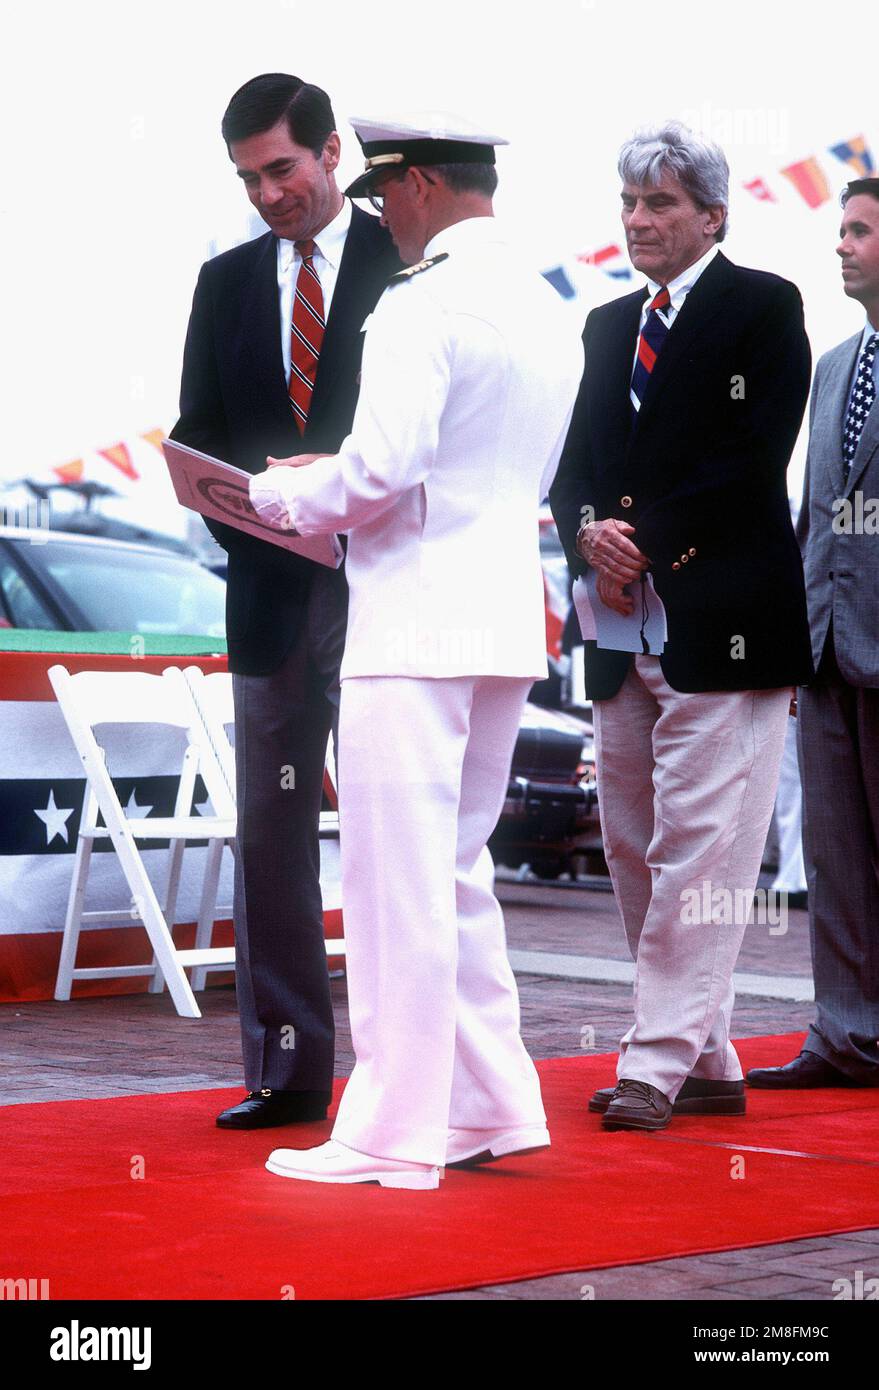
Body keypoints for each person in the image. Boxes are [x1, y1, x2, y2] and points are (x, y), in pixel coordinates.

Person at [248, 112, 584, 1188]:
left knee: (397, 883)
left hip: (410, 622)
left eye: (387, 193)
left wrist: (282, 489)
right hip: (500, 618)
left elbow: (379, 469)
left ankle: (388, 1132)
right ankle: (491, 1103)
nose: (382, 215)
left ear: (426, 184)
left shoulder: (417, 303)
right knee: (454, 873)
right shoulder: (547, 307)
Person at [550, 122, 813, 1132]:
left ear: (712, 213)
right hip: (621, 635)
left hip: (726, 629)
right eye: (629, 203)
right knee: (633, 850)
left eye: (660, 203)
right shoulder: (608, 325)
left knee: (700, 859)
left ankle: (652, 1063)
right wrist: (589, 535)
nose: (639, 220)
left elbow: (751, 459)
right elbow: (573, 463)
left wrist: (644, 539)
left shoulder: (762, 307)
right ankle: (707, 1056)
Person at [170, 74, 400, 1130]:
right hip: (268, 596)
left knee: (400, 829)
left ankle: (410, 1068)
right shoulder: (221, 285)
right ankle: (292, 1070)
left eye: (281, 169)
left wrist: (337, 502)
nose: (268, 194)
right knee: (271, 832)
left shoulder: (408, 265)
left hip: (388, 585)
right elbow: (201, 437)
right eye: (248, 178)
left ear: (331, 155)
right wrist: (263, 519)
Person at [747, 178, 879, 1091]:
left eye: (860, 231)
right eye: (839, 229)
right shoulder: (832, 364)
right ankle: (846, 1035)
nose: (841, 245)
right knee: (835, 858)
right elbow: (814, 516)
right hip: (828, 650)